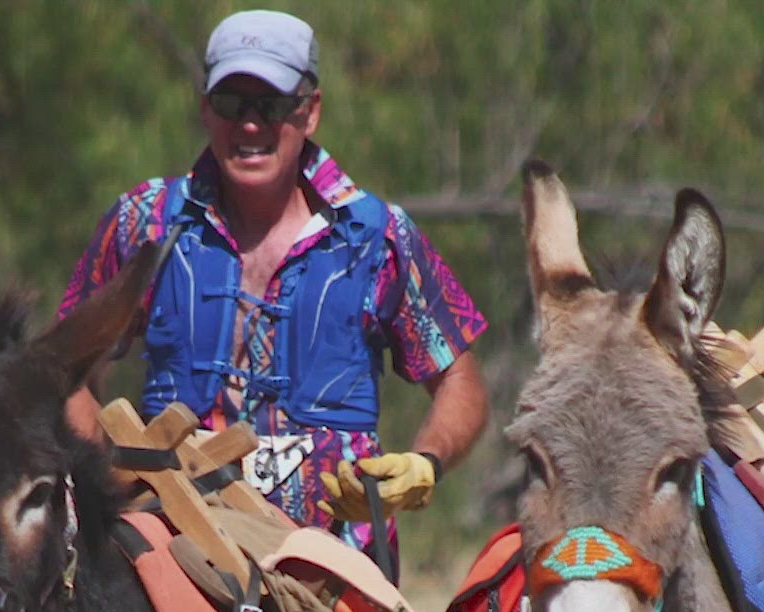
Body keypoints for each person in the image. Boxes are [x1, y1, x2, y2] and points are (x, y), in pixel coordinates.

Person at [56, 8, 488, 552]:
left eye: (273, 104)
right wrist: (108, 477)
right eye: (232, 104)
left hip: (337, 548)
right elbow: (65, 368)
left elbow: (461, 383)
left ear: (310, 112)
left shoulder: (378, 237)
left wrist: (421, 465)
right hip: (171, 540)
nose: (251, 124)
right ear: (206, 111)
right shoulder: (144, 223)